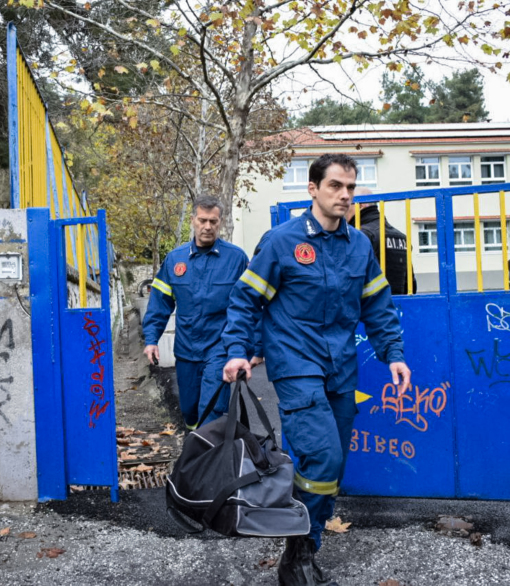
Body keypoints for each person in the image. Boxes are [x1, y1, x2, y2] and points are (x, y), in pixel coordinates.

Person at [221, 154, 410, 586]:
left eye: (351, 187)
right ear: (312, 189)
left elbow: (377, 306)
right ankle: (299, 556)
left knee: (332, 466)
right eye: (335, 186)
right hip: (295, 364)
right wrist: (237, 350)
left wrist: (394, 354)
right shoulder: (281, 241)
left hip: (340, 367)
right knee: (323, 456)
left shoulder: (359, 245)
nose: (345, 195)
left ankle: (303, 546)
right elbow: (246, 299)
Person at [142, 196, 258, 430]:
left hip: (220, 348)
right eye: (202, 220)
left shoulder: (236, 258)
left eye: (213, 221)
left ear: (220, 222)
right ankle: (196, 444)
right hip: (186, 350)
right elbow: (159, 303)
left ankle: (209, 451)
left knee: (211, 410)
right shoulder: (175, 260)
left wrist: (255, 347)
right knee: (190, 411)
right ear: (193, 220)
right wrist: (151, 339)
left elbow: (251, 305)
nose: (207, 226)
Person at [345, 188, 417, 295]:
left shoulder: (359, 235)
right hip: (397, 303)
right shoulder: (402, 237)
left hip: (368, 304)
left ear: (360, 205)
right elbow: (410, 285)